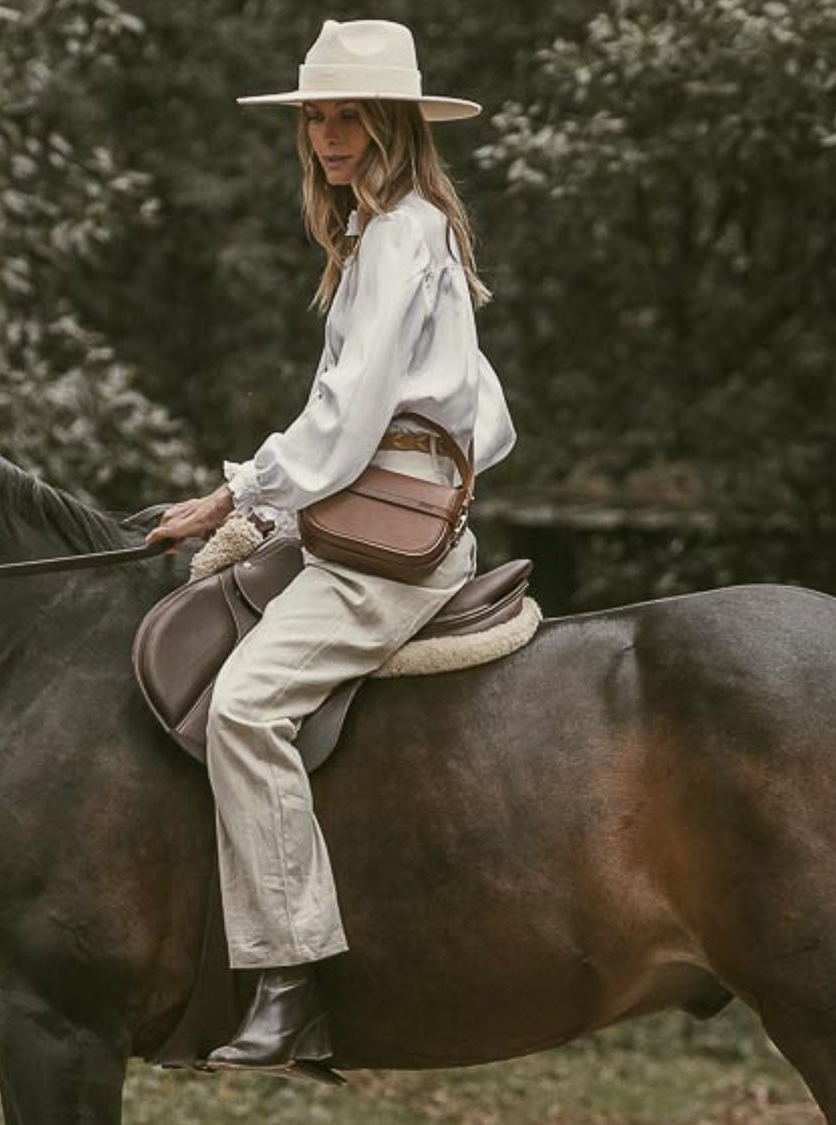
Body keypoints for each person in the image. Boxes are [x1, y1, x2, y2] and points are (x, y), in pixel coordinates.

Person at [145, 18, 515, 1073]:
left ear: (394, 123)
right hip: (367, 519)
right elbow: (486, 414)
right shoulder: (399, 231)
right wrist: (297, 497)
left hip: (375, 554)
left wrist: (237, 495)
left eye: (347, 114)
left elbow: (351, 412)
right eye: (314, 114)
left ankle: (289, 978)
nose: (326, 133)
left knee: (247, 704)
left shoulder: (398, 235)